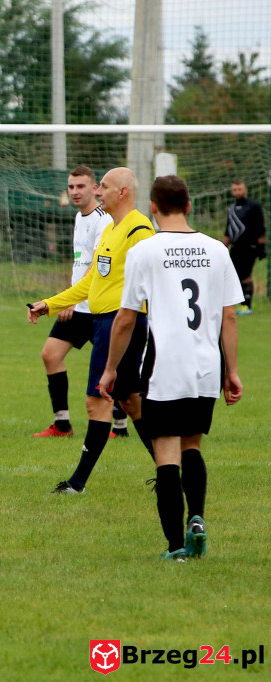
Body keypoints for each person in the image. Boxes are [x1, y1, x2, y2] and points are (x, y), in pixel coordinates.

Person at [98, 175, 243, 560]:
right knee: (192, 443)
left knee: (166, 452)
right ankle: (196, 517)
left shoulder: (145, 251)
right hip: (206, 366)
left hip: (164, 366)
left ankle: (176, 547)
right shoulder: (216, 250)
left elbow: (126, 319)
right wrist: (232, 371)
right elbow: (229, 317)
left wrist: (111, 368)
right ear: (190, 205)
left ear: (154, 209)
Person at [27, 167, 154, 494]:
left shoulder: (139, 230)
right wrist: (50, 304)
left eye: (105, 188)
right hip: (106, 323)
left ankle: (77, 483)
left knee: (97, 401)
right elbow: (90, 283)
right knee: (130, 402)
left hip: (119, 324)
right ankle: (169, 471)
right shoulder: (111, 230)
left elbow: (155, 285)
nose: (99, 193)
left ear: (123, 192)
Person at [33, 165, 119, 438]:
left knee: (117, 368)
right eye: (71, 187)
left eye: (81, 186)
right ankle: (62, 424)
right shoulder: (79, 218)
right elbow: (79, 263)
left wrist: (67, 301)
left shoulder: (103, 219)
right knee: (50, 355)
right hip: (79, 304)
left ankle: (119, 425)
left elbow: (94, 266)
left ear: (95, 188)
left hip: (97, 307)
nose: (75, 192)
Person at [222, 179, 266, 315]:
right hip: (235, 248)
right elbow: (228, 231)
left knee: (245, 275)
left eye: (239, 189)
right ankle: (237, 304)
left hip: (250, 246)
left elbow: (260, 227)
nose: (237, 192)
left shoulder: (254, 206)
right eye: (234, 189)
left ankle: (247, 306)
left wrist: (261, 246)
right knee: (233, 275)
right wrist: (222, 246)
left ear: (245, 190)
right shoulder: (231, 209)